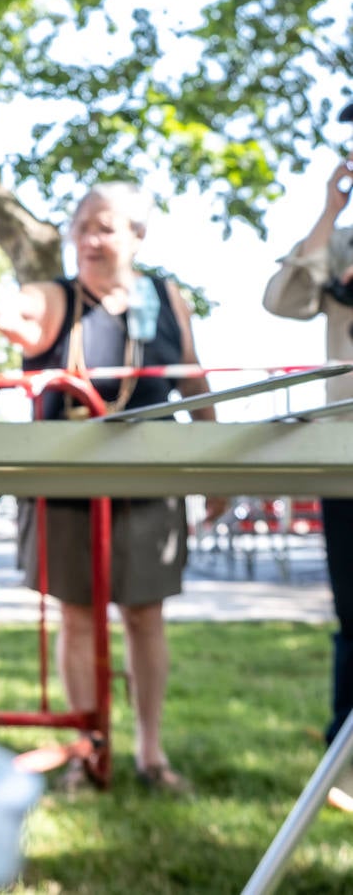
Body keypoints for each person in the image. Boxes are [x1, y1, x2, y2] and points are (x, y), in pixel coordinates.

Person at [0, 182, 223, 794]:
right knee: (77, 617)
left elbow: (193, 379)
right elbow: (16, 315)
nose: (91, 238)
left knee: (146, 617)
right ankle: (86, 751)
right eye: (82, 226)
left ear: (137, 237)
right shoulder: (53, 297)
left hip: (150, 481)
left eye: (107, 226)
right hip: (66, 487)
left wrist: (217, 468)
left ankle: (149, 754)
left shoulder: (168, 299)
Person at [260, 109, 353, 810]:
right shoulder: (342, 247)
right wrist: (329, 211)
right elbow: (283, 299)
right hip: (344, 451)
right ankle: (344, 765)